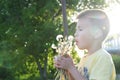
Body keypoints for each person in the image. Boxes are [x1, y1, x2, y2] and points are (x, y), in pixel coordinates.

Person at [54, 9, 116, 80]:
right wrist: (67, 69)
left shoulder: (103, 57)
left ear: (96, 33)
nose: (75, 34)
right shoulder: (84, 59)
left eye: (80, 29)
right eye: (76, 30)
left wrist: (71, 68)